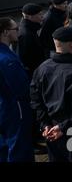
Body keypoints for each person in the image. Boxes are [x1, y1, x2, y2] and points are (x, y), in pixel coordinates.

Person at [30, 27, 72, 162]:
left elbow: (35, 100)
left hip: (50, 129)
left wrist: (45, 124)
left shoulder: (42, 68)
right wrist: (63, 127)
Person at [0, 17, 34, 162]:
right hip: (15, 108)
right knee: (19, 147)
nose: (18, 32)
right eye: (15, 29)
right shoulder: (8, 59)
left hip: (3, 107)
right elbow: (21, 88)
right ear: (6, 32)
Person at [17, 3, 45, 78]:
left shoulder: (30, 29)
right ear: (30, 17)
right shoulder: (26, 34)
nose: (42, 16)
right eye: (39, 14)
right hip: (34, 71)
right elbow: (25, 59)